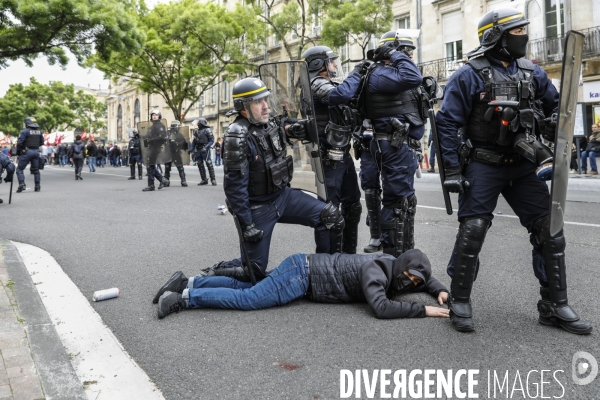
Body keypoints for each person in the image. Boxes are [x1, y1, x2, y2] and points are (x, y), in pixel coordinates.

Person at [435, 8, 592, 334]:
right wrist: (451, 168)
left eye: (524, 29)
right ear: (497, 36)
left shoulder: (532, 73)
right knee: (473, 229)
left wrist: (557, 137)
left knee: (550, 229)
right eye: (517, 30)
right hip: (483, 162)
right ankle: (460, 300)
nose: (524, 35)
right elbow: (447, 124)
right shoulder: (468, 75)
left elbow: (556, 110)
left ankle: (554, 304)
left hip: (524, 166)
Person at [220, 77, 344, 273]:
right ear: (243, 107)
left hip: (283, 197)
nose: (265, 107)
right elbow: (235, 189)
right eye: (257, 102)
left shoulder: (268, 123)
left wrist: (299, 127)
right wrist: (246, 224)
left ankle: (326, 272)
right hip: (258, 208)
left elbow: (285, 125)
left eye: (265, 100)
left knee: (331, 217)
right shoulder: (237, 136)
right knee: (253, 272)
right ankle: (209, 274)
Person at [153, 249, 450, 320]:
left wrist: (438, 289)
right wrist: (423, 310)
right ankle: (184, 299)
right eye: (410, 277)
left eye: (415, 281)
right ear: (401, 268)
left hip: (302, 267)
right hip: (301, 277)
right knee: (248, 300)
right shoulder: (376, 272)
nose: (409, 283)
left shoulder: (393, 262)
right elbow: (381, 308)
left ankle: (185, 282)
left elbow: (423, 274)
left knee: (246, 291)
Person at [360, 32, 426, 257]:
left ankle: (405, 254)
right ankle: (392, 258)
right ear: (390, 53)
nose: (407, 56)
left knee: (406, 202)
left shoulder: (399, 76)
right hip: (389, 145)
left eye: (409, 52)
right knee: (396, 203)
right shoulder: (382, 74)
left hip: (406, 146)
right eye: (402, 51)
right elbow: (411, 78)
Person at [301, 45, 363, 254]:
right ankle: (328, 263)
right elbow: (338, 95)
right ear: (320, 65)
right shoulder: (315, 83)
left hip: (342, 155)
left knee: (353, 205)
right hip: (328, 159)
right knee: (330, 213)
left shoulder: (326, 82)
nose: (335, 65)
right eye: (332, 61)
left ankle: (347, 258)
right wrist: (357, 73)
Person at [142, 109, 170, 192]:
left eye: (156, 115)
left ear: (159, 116)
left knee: (150, 165)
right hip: (150, 147)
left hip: (156, 147)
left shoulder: (160, 126)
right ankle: (163, 180)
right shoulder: (152, 126)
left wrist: (150, 140)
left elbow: (161, 137)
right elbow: (147, 137)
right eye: (153, 115)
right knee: (151, 165)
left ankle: (151, 185)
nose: (154, 116)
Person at [15, 117, 44, 192]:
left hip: (27, 152)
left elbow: (20, 143)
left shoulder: (25, 131)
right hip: (36, 152)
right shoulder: (39, 132)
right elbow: (41, 142)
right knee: (36, 170)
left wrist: (18, 152)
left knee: (19, 169)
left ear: (27, 124)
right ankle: (37, 186)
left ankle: (22, 184)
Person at [190, 118, 216, 186]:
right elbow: (194, 142)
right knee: (200, 164)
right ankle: (204, 179)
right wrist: (191, 149)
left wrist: (206, 147)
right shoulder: (196, 131)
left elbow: (212, 140)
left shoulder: (207, 130)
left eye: (199, 122)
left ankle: (213, 179)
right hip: (198, 150)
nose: (198, 124)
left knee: (209, 163)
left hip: (205, 149)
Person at [164, 120, 188, 187]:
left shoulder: (179, 134)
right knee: (167, 167)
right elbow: (163, 142)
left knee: (180, 167)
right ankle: (166, 181)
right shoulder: (167, 133)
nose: (178, 127)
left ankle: (183, 181)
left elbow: (184, 144)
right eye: (177, 126)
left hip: (176, 152)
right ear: (174, 126)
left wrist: (182, 144)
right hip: (168, 152)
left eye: (179, 126)